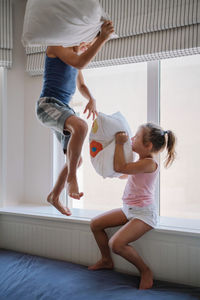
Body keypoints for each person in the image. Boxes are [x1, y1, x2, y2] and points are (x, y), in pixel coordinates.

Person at [36, 21, 114, 216]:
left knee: (75, 160)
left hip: (63, 108)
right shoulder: (56, 47)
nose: (87, 47)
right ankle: (72, 178)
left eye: (91, 44)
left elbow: (81, 85)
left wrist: (91, 99)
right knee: (80, 125)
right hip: (48, 105)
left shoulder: (75, 58)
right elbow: (79, 62)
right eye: (87, 42)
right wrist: (102, 38)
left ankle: (54, 196)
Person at [89, 123, 176, 290]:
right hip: (128, 209)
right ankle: (106, 260)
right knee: (95, 224)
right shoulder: (140, 161)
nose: (132, 138)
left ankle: (145, 271)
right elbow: (123, 173)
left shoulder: (150, 163)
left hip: (144, 214)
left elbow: (121, 167)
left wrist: (120, 144)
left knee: (116, 244)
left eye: (136, 137)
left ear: (148, 146)